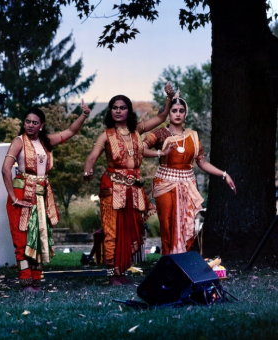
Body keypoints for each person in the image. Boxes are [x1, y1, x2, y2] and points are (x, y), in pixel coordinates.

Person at [82, 82, 173, 285]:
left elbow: (160, 117)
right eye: (115, 107)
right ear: (110, 111)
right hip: (112, 188)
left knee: (132, 229)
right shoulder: (105, 135)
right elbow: (92, 156)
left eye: (122, 107)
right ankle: (113, 274)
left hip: (134, 189)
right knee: (112, 229)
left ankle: (121, 271)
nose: (118, 111)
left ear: (128, 111)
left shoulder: (136, 130)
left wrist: (168, 98)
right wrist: (87, 169)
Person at [1, 102, 91, 291]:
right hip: (22, 193)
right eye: (28, 121)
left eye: (35, 122)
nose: (31, 125)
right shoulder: (18, 141)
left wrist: (84, 115)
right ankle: (25, 282)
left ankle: (36, 281)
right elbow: (5, 169)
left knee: (40, 238)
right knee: (23, 238)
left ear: (41, 125)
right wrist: (13, 196)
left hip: (41, 195)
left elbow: (70, 132)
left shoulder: (46, 141)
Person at [143, 93, 236, 255]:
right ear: (169, 114)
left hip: (188, 184)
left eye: (181, 110)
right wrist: (161, 153)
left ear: (186, 113)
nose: (178, 114)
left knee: (188, 225)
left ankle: (185, 266)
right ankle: (167, 264)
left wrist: (224, 174)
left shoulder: (193, 136)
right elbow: (140, 149)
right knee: (167, 224)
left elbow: (202, 162)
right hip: (165, 183)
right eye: (174, 110)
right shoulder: (160, 133)